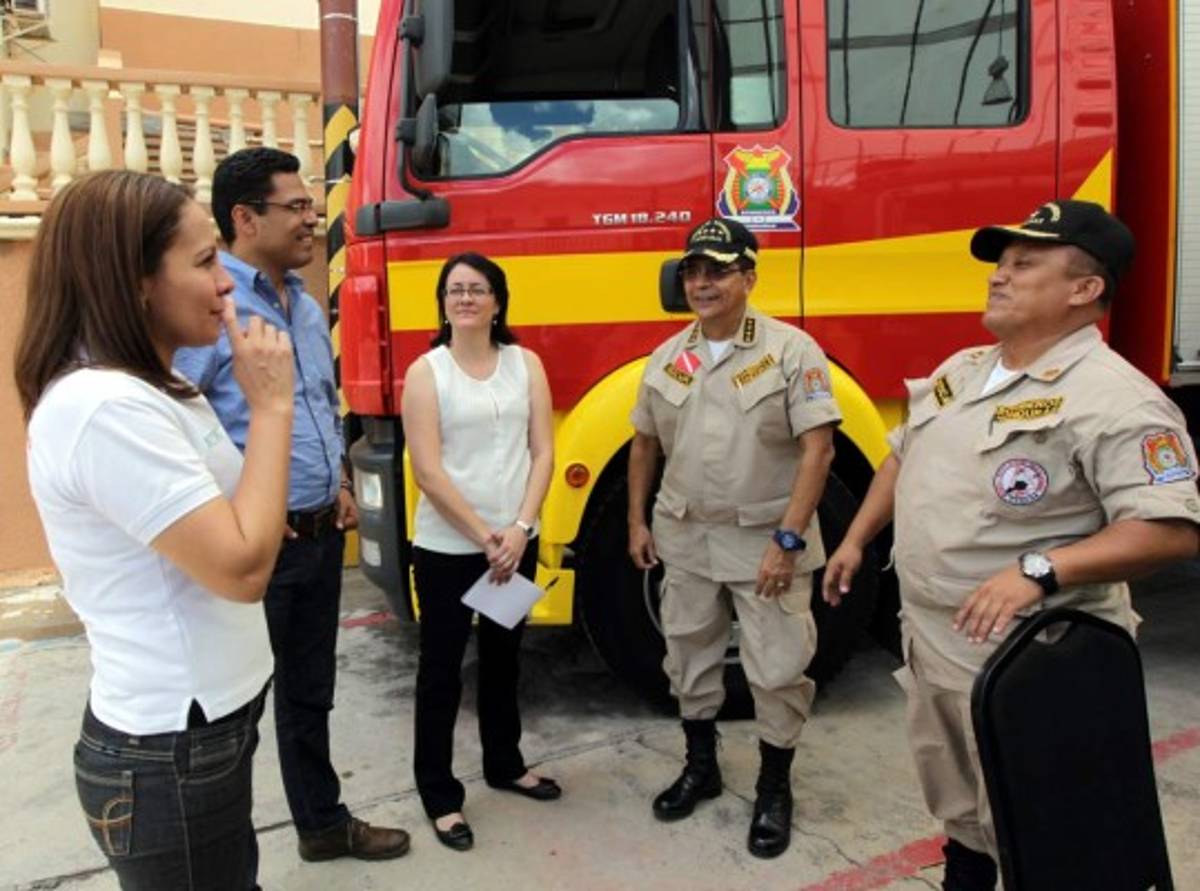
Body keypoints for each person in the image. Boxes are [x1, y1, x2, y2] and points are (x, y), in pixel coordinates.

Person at [822, 200, 1200, 891]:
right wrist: (855, 538)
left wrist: (1040, 569)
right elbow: (903, 455)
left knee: (1046, 824)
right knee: (962, 799)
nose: (1000, 275)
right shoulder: (965, 368)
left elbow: (1168, 528)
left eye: (1025, 264)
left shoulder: (1117, 399)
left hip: (1031, 653)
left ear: (1085, 288)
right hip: (937, 638)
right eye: (1001, 263)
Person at [15, 170, 293, 889]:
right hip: (168, 749)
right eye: (203, 262)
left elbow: (226, 522)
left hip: (204, 732)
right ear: (134, 282)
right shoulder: (103, 407)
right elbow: (241, 568)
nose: (226, 283)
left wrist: (256, 515)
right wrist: (271, 407)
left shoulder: (157, 388)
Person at [174, 148, 409, 863]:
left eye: (312, 205)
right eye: (297, 207)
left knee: (310, 694)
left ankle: (321, 823)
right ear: (246, 219)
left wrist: (340, 483)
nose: (313, 219)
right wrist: (234, 504)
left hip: (316, 534)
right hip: (255, 546)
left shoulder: (304, 307)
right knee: (235, 710)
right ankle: (223, 856)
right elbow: (179, 419)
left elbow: (315, 405)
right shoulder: (215, 308)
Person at [627, 218, 841, 858]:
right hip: (686, 537)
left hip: (764, 543)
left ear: (748, 277)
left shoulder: (792, 351)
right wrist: (637, 520)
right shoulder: (669, 356)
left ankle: (774, 787)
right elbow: (644, 443)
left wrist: (789, 540)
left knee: (777, 668)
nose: (702, 283)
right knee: (687, 657)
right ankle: (702, 767)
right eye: (693, 272)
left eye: (717, 271)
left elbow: (819, 450)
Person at [400, 251, 557, 852]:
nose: (465, 298)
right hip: (448, 549)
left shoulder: (525, 364)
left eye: (477, 289)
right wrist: (483, 536)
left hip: (514, 545)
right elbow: (428, 471)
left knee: (503, 658)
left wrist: (519, 528)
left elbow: (542, 450)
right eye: (454, 290)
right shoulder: (427, 373)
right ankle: (440, 795)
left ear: (497, 302)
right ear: (443, 304)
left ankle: (505, 764)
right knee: (441, 670)